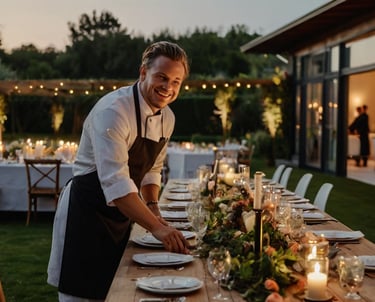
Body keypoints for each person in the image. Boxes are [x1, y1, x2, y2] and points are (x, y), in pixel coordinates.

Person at [47, 41, 191, 302]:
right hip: (87, 213)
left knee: (118, 290)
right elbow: (116, 183)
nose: (168, 87)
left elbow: (152, 169)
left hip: (122, 214)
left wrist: (152, 206)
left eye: (176, 81)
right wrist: (156, 229)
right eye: (162, 77)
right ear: (143, 72)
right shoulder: (114, 112)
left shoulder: (167, 117)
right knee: (82, 292)